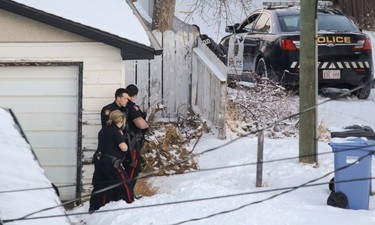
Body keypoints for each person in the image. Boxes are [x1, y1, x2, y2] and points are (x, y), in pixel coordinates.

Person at [89, 110, 134, 213]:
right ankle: (130, 202)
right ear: (121, 120)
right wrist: (126, 142)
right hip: (112, 162)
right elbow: (124, 148)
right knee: (124, 182)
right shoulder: (116, 131)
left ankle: (94, 206)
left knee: (100, 185)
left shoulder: (103, 130)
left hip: (100, 161)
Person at [123, 84, 149, 198]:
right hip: (131, 141)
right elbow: (140, 124)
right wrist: (146, 125)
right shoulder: (131, 106)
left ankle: (125, 193)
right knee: (134, 166)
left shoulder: (121, 105)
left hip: (122, 141)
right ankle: (128, 193)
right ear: (134, 96)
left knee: (126, 166)